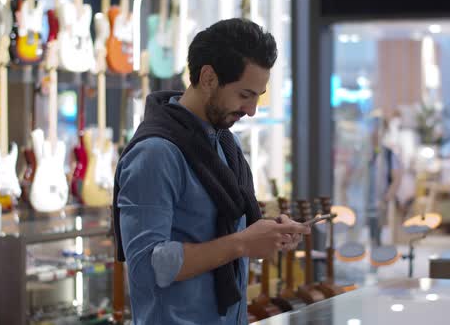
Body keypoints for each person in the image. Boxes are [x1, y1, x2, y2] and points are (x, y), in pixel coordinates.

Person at [112, 18, 310, 325]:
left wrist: (268, 235)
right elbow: (147, 268)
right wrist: (242, 243)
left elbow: (229, 235)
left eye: (258, 96)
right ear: (208, 78)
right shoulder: (155, 154)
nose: (252, 110)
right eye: (245, 95)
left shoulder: (223, 144)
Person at [366, 121, 402, 249]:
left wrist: (387, 198)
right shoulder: (363, 152)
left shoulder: (388, 154)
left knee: (377, 233)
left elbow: (396, 178)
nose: (375, 133)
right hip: (362, 202)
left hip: (379, 201)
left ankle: (374, 261)